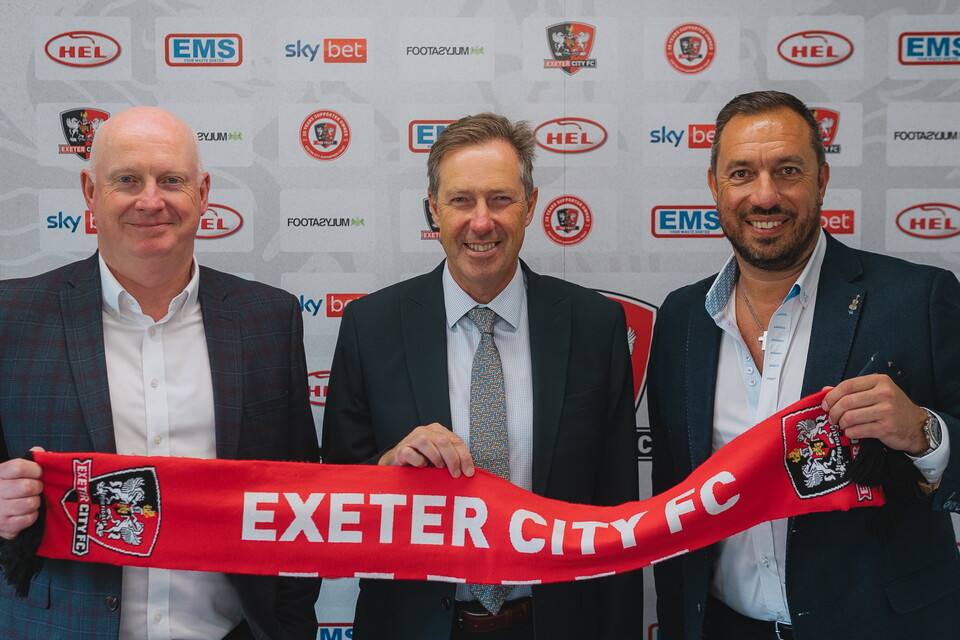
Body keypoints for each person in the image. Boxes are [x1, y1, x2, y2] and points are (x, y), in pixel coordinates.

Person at [648, 90, 960, 639]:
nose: (765, 196)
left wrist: (924, 433)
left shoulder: (918, 299)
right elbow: (676, 498)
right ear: (714, 187)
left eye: (787, 170)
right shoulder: (682, 318)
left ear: (821, 180)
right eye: (741, 173)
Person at [0, 107, 321, 639]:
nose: (151, 200)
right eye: (127, 179)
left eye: (171, 180)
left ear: (202, 192)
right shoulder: (11, 320)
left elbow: (298, 501)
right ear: (89, 191)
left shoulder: (270, 319)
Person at [321, 113, 641, 639]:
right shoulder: (370, 326)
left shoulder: (594, 326)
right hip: (412, 625)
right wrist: (387, 468)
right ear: (434, 208)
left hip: (557, 625)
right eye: (461, 200)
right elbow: (334, 497)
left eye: (500, 199)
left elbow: (619, 514)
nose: (482, 221)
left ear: (531, 205)